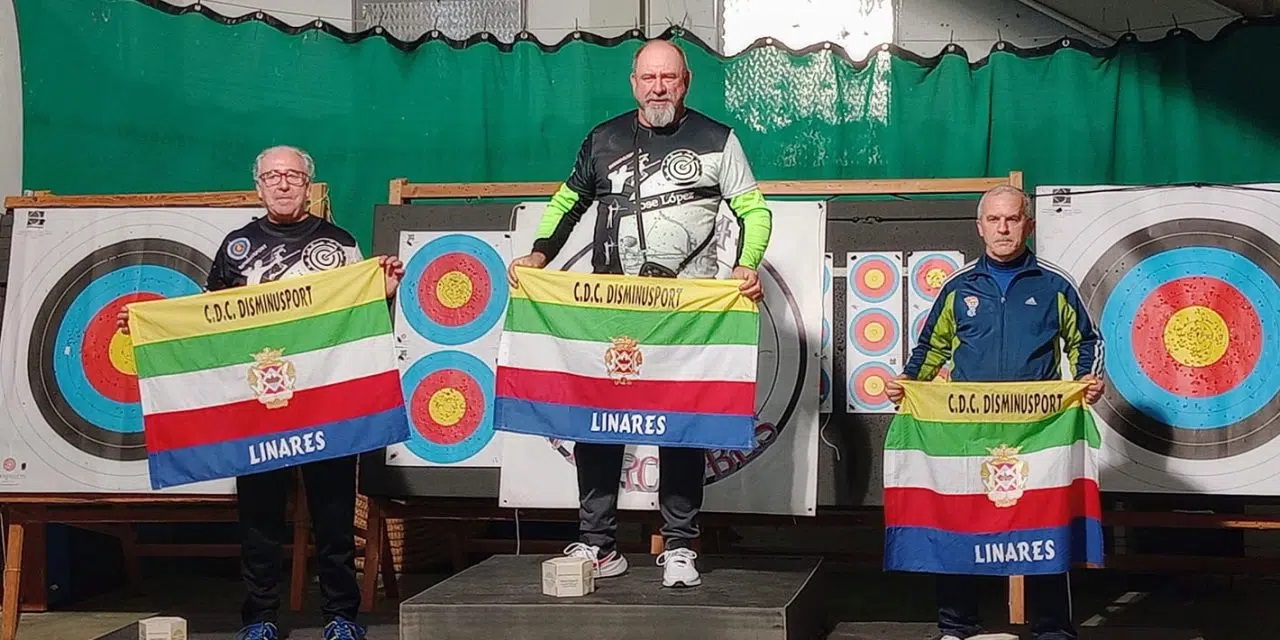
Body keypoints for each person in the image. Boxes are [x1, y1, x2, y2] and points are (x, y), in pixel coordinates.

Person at [506, 38, 772, 588]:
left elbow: (752, 207)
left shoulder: (717, 139)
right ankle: (598, 543)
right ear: (633, 83)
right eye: (648, 78)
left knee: (680, 425)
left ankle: (679, 545)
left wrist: (746, 265)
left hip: (686, 315)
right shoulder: (602, 139)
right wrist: (539, 253)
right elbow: (567, 201)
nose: (658, 88)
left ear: (685, 82)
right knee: (597, 422)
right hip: (611, 310)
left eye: (668, 78)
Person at [118, 146, 404, 640]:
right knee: (258, 521)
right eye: (273, 176)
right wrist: (150, 326)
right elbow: (210, 324)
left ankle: (341, 617)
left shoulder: (340, 245)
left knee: (334, 516)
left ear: (310, 185)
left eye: (293, 175)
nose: (284, 183)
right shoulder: (236, 247)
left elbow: (357, 318)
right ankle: (261, 618)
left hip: (323, 402)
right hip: (258, 407)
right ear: (258, 187)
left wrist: (382, 293)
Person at [885, 184, 1105, 640]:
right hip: (968, 432)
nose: (1003, 228)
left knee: (1045, 527)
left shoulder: (1053, 284)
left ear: (1029, 224)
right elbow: (933, 347)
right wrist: (909, 387)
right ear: (980, 226)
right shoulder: (959, 286)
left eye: (1012, 219)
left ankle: (1054, 631)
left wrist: (1087, 380)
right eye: (994, 220)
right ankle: (956, 628)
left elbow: (1087, 341)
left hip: (1039, 435)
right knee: (959, 524)